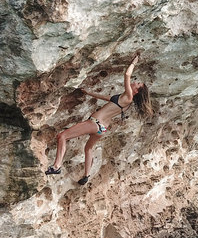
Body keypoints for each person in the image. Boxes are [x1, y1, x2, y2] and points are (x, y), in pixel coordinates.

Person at [45, 52, 152, 185]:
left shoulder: (129, 98)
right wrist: (89, 93)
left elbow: (127, 75)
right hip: (102, 130)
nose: (135, 82)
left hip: (95, 123)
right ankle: (86, 176)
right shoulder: (122, 99)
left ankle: (56, 167)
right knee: (88, 149)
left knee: (62, 136)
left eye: (138, 84)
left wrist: (134, 62)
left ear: (136, 91)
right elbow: (106, 98)